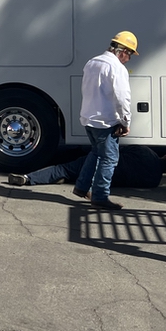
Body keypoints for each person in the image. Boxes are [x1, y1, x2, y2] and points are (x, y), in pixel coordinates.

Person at [41, 31, 137, 210]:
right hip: (106, 121)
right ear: (122, 51)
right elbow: (122, 98)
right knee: (109, 159)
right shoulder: (117, 68)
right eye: (129, 54)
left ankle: (82, 187)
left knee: (96, 153)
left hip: (89, 119)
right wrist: (125, 122)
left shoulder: (92, 62)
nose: (129, 59)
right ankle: (100, 196)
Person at [8, 145, 166, 189]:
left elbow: (117, 149)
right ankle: (67, 178)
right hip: (106, 182)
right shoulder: (154, 182)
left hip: (102, 164)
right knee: (71, 173)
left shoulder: (146, 152)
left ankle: (28, 178)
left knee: (64, 168)